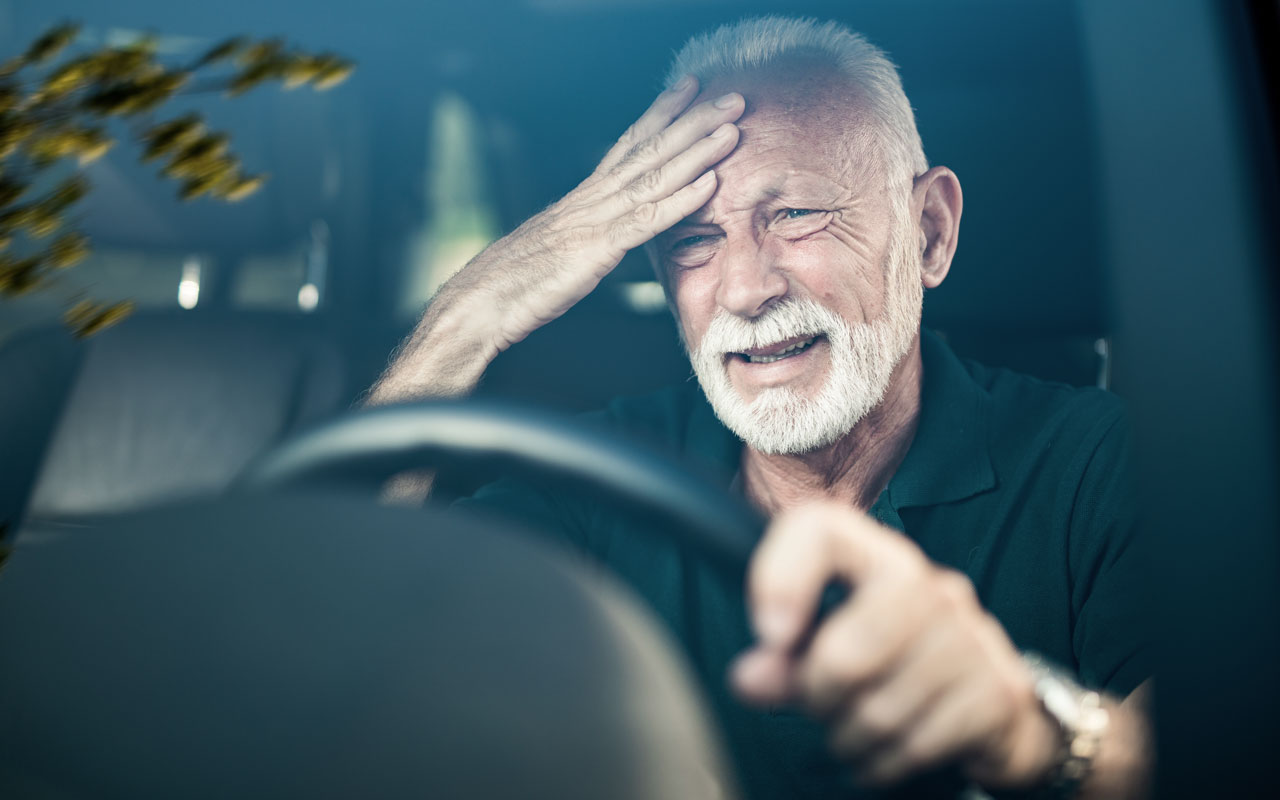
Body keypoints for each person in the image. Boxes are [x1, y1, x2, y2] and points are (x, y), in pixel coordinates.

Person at [366, 16, 1152, 799]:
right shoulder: (602, 480)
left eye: (796, 215)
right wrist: (467, 315)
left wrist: (1029, 734)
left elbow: (1225, 754)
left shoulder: (1094, 459)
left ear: (930, 233)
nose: (744, 289)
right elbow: (330, 641)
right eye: (693, 241)